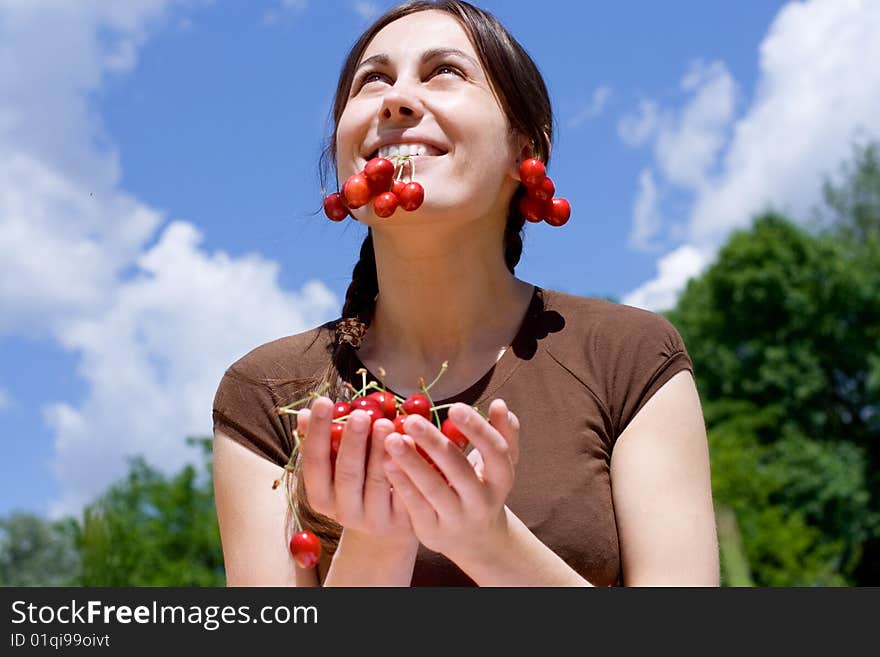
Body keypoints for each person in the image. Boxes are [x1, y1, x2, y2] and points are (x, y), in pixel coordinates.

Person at [212, 0, 719, 587]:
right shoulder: (268, 395)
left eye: (443, 73)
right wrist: (377, 544)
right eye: (372, 80)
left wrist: (488, 544)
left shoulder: (628, 356)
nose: (396, 98)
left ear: (526, 150)